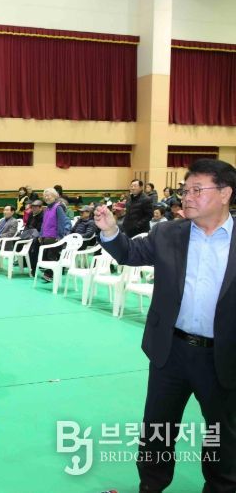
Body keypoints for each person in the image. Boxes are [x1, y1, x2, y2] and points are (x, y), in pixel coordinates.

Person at [94, 158, 236, 493]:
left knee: (223, 435)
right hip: (171, 351)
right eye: (186, 190)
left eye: (197, 190)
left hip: (223, 355)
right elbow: (129, 253)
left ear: (225, 193)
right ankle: (151, 485)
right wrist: (111, 231)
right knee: (157, 429)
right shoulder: (168, 232)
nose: (187, 197)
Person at [29, 188, 69, 279]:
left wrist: (60, 236)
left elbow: (62, 222)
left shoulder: (58, 207)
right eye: (45, 196)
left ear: (55, 196)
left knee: (50, 254)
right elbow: (44, 223)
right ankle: (35, 269)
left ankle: (50, 274)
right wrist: (40, 235)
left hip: (54, 236)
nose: (46, 197)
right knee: (35, 246)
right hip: (45, 236)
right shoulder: (47, 208)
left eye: (48, 195)